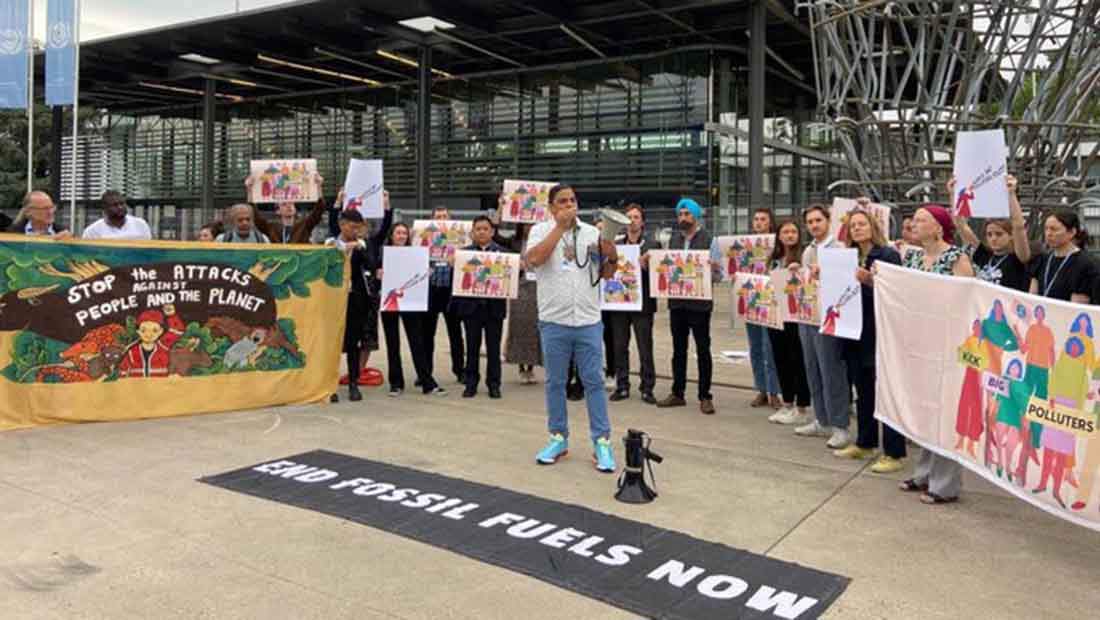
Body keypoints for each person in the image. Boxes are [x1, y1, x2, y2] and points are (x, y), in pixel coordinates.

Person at [525, 184, 618, 473]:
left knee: (594, 382)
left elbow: (607, 274)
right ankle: (558, 438)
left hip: (588, 320)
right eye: (562, 202)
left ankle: (602, 442)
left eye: (573, 200)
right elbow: (535, 259)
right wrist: (559, 229)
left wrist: (610, 251)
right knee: (555, 382)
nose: (569, 205)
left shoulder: (592, 233)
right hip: (554, 320)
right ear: (551, 208)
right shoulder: (540, 231)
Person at [899, 204, 975, 505]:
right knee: (926, 409)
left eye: (922, 220)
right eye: (915, 219)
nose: (915, 224)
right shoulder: (914, 257)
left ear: (939, 227)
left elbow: (968, 298)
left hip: (949, 345)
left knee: (945, 412)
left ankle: (945, 484)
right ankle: (924, 472)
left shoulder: (956, 258)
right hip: (921, 343)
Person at [832, 209, 907, 471]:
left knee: (884, 392)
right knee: (862, 390)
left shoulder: (887, 255)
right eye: (853, 225)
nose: (857, 229)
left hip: (878, 331)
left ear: (873, 226)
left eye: (862, 224)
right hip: (853, 331)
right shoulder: (848, 257)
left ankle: (894, 452)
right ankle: (865, 442)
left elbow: (898, 290)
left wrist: (871, 281)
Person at [790, 204, 850, 448]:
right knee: (812, 369)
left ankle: (840, 425)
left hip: (829, 317)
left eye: (818, 220)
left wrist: (825, 272)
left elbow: (846, 283)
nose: (814, 225)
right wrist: (797, 271)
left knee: (831, 371)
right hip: (808, 315)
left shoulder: (839, 248)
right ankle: (822, 419)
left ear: (828, 221)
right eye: (810, 222)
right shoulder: (808, 251)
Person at [656, 198, 719, 415]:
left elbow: (719, 275)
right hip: (678, 303)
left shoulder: (710, 240)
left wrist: (714, 268)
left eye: (687, 214)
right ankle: (678, 392)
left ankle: (705, 395)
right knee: (678, 349)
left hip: (700, 305)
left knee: (703, 350)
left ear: (695, 216)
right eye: (680, 214)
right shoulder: (672, 239)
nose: (683, 218)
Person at [379, 220, 446, 397]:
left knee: (417, 342)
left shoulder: (416, 254)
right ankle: (396, 383)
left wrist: (427, 274)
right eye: (398, 233)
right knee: (392, 343)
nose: (401, 236)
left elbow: (422, 275)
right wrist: (379, 273)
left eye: (404, 233)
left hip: (411, 303)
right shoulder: (383, 253)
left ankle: (427, 382)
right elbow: (373, 270)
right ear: (391, 235)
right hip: (389, 302)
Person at [451, 216, 508, 399]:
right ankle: (471, 384)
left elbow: (511, 277)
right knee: (472, 347)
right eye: (478, 229)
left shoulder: (504, 254)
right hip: (471, 308)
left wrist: (518, 267)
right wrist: (454, 264)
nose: (482, 232)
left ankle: (494, 384)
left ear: (492, 232)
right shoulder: (463, 255)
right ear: (472, 232)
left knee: (493, 349)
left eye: (485, 229)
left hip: (494, 309)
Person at [609, 204, 658, 404]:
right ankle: (622, 386)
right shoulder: (616, 243)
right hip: (619, 303)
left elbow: (658, 271)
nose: (632, 220)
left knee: (645, 346)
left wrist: (650, 261)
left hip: (642, 304)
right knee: (619, 345)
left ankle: (647, 387)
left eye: (636, 216)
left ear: (642, 221)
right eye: (629, 217)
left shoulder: (652, 245)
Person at [766, 219, 813, 425]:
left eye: (793, 231)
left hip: (796, 315)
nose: (790, 235)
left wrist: (800, 270)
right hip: (775, 315)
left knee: (797, 360)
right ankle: (787, 403)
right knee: (781, 359)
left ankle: (801, 406)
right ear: (779, 236)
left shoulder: (804, 256)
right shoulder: (774, 259)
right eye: (785, 232)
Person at [953, 175, 1030, 291]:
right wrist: (955, 194)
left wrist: (1011, 194)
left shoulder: (1018, 258)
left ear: (1011, 236)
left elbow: (1018, 226)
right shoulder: (985, 255)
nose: (993, 238)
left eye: (999, 234)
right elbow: (961, 226)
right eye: (989, 234)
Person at [325, 209, 370, 402]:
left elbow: (372, 263)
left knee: (353, 344)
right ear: (342, 225)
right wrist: (342, 247)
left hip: (355, 300)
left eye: (358, 228)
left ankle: (353, 383)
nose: (355, 231)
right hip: (333, 299)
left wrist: (358, 248)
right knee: (332, 344)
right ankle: (329, 386)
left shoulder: (361, 246)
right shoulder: (328, 244)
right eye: (352, 227)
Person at [745, 207, 782, 409]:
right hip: (752, 300)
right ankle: (761, 389)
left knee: (771, 348)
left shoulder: (777, 245)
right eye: (756, 219)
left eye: (763, 219)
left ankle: (774, 391)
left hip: (771, 301)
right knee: (756, 347)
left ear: (770, 222)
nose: (759, 222)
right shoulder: (747, 246)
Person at [424, 206, 466, 385]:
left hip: (451, 291)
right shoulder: (424, 238)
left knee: (455, 333)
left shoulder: (459, 240)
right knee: (427, 334)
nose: (441, 219)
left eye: (444, 216)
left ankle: (459, 370)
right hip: (430, 290)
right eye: (438, 216)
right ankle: (425, 372)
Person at [501, 223, 542, 384]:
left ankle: (531, 367)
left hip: (537, 286)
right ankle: (520, 366)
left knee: (534, 326)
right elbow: (496, 237)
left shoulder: (542, 241)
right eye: (526, 225)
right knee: (519, 325)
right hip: (519, 285)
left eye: (532, 225)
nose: (529, 228)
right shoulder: (514, 241)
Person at [245, 173, 327, 244]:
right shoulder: (271, 227)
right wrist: (249, 189)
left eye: (291, 203)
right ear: (277, 211)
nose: (289, 206)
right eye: (284, 204)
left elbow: (319, 210)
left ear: (295, 208)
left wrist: (319, 186)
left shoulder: (304, 224)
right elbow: (254, 215)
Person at [118, 305, 185, 378]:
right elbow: (122, 371)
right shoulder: (132, 352)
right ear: (138, 331)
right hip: (137, 387)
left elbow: (177, 331)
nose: (149, 334)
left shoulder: (163, 346)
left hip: (160, 386)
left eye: (154, 330)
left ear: (161, 331)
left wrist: (171, 316)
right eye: (144, 330)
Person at [82, 191, 152, 240]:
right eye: (115, 205)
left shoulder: (140, 225)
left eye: (122, 203)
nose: (120, 207)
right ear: (105, 208)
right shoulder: (92, 232)